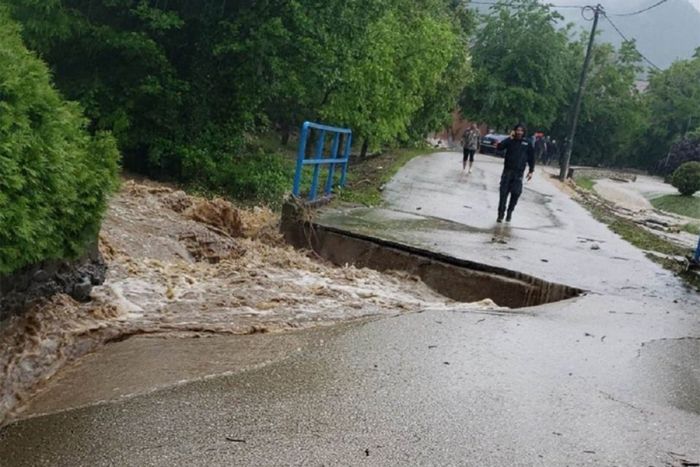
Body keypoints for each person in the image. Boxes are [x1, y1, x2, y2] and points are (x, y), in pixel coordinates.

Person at [495, 123, 535, 223]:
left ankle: (510, 211)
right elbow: (499, 147)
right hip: (507, 172)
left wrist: (531, 171)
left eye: (521, 130)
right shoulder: (510, 141)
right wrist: (509, 137)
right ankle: (500, 214)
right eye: (517, 130)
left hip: (518, 174)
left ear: (524, 132)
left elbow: (531, 158)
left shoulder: (527, 143)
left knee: (516, 193)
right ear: (515, 131)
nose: (519, 132)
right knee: (503, 194)